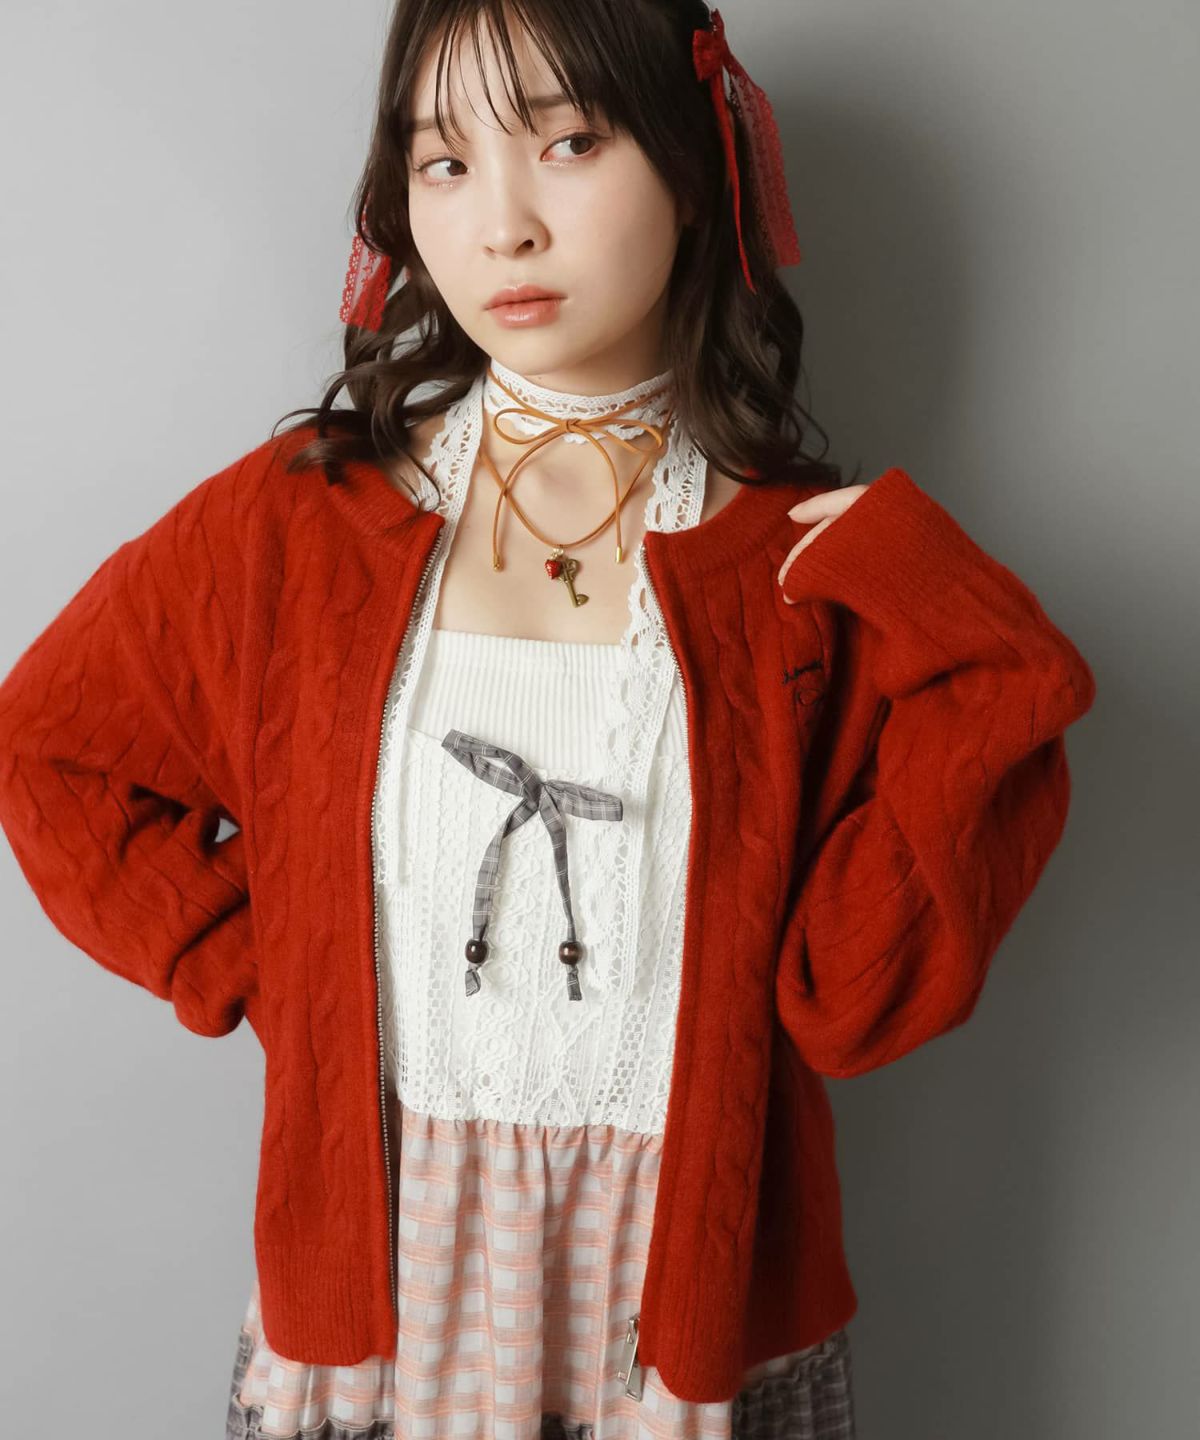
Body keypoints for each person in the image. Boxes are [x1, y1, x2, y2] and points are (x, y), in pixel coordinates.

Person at [0, 2, 1096, 1437]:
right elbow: (52, 748)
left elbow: (855, 999)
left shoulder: (803, 575)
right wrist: (285, 967)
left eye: (570, 143)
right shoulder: (299, 529)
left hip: (683, 1338)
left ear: (695, 166)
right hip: (385, 1331)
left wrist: (967, 629)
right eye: (444, 162)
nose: (504, 225)